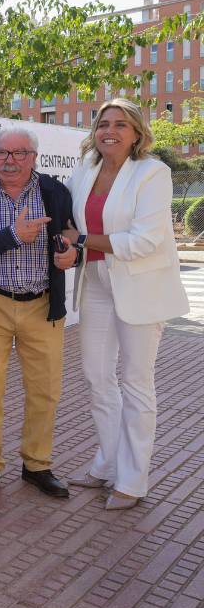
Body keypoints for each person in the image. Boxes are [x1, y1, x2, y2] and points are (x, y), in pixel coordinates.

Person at [66, 98, 188, 511]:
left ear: (136, 132)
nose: (110, 131)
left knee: (137, 384)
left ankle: (133, 480)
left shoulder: (153, 172)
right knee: (96, 376)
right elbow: (67, 220)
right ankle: (107, 463)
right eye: (103, 124)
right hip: (97, 282)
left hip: (140, 287)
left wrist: (80, 242)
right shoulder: (86, 169)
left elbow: (144, 241)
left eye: (120, 124)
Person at [0, 126, 78, 498]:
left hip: (42, 306)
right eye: (1, 153)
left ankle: (37, 465)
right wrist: (12, 235)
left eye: (19, 153)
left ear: (33, 157)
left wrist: (73, 254)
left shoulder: (55, 193)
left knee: (45, 391)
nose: (9, 160)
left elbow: (72, 236)